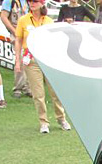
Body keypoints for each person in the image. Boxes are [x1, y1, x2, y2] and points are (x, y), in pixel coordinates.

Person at [15, 0, 70, 133]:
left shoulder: (49, 22)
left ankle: (61, 118)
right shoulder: (23, 20)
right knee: (38, 94)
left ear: (41, 3)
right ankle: (43, 121)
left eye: (35, 1)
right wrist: (17, 60)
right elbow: (18, 40)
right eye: (30, 2)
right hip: (32, 60)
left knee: (55, 92)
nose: (32, 4)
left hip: (47, 59)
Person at [0, 0, 29, 97]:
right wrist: (15, 32)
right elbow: (4, 17)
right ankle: (18, 88)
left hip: (28, 33)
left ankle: (28, 87)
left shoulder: (28, 2)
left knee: (29, 60)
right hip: (16, 34)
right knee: (19, 59)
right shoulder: (9, 1)